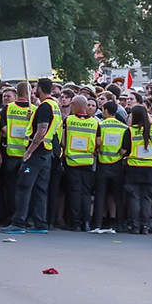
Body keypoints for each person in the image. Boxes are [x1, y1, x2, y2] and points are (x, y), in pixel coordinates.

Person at [1, 77, 62, 234]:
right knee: (40, 189)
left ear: (40, 89)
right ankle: (40, 223)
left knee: (23, 186)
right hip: (47, 152)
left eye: (36, 88)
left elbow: (41, 131)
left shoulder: (44, 107)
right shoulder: (55, 105)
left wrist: (29, 151)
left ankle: (18, 223)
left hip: (37, 152)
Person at [61, 95, 99, 232]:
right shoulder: (95, 122)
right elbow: (98, 142)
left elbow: (63, 141)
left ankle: (75, 223)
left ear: (76, 105)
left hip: (72, 162)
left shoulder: (69, 120)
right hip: (88, 161)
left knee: (74, 193)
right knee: (86, 194)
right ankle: (86, 222)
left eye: (72, 104)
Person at [122, 105, 152, 234]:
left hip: (133, 169)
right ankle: (145, 226)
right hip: (150, 169)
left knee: (134, 198)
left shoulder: (131, 131)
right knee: (146, 198)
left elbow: (123, 151)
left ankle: (135, 225)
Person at [93, 101, 127, 231]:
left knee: (100, 195)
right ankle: (120, 224)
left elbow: (98, 143)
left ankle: (97, 223)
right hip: (117, 164)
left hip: (103, 163)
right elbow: (125, 147)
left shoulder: (101, 125)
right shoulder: (123, 127)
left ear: (106, 111)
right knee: (118, 196)